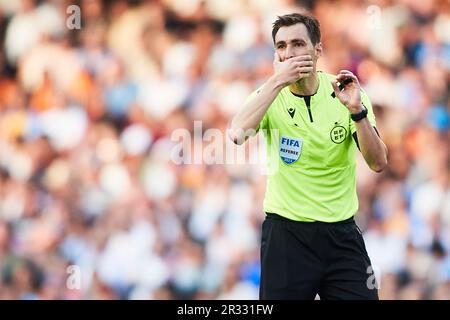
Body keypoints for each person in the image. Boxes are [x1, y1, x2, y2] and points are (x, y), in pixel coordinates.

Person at [228, 13, 388, 300]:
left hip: (341, 235)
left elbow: (378, 162)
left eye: (298, 44)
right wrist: (276, 83)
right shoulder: (268, 95)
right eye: (281, 47)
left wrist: (357, 112)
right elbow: (237, 134)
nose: (289, 53)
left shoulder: (346, 92)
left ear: (318, 50)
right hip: (287, 237)